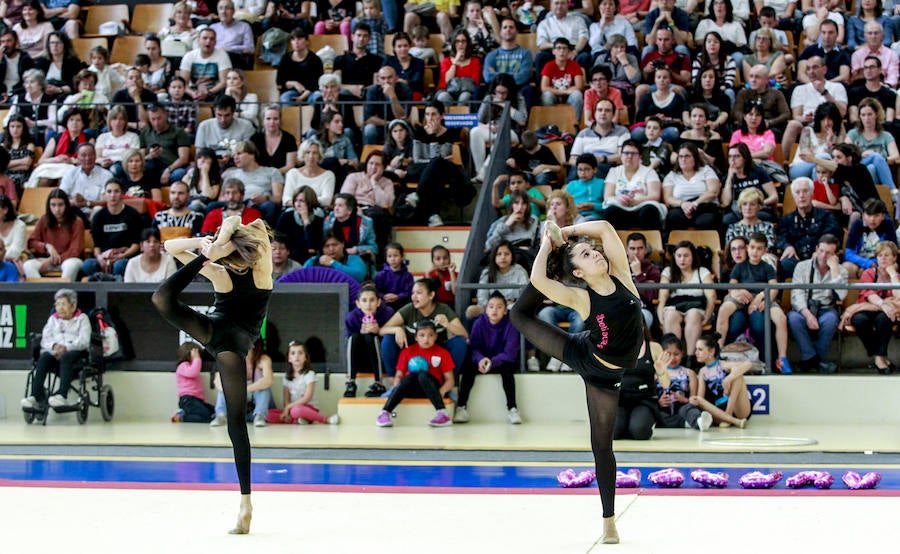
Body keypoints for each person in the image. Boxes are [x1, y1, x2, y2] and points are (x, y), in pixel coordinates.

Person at [509, 220, 642, 544]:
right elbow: (538, 279)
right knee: (518, 315)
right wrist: (548, 244)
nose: (594, 252)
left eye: (591, 249)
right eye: (584, 254)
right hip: (592, 363)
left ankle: (608, 519)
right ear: (579, 273)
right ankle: (609, 522)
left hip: (609, 365)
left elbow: (608, 229)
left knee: (603, 446)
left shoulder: (621, 273)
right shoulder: (583, 298)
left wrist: (566, 233)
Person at [153, 215, 272, 534]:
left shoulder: (220, 273)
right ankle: (245, 502)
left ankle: (246, 505)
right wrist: (215, 241)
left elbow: (169, 245)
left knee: (162, 299)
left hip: (213, 333)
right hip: (233, 344)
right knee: (236, 421)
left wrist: (208, 246)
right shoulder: (264, 273)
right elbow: (261, 233)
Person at [716, 232, 791, 373]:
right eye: (752, 247)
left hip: (764, 297)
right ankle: (718, 351)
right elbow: (732, 285)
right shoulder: (739, 267)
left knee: (781, 318)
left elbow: (773, 288)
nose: (755, 251)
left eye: (759, 248)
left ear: (764, 251)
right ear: (748, 248)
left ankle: (782, 358)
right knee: (723, 309)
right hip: (742, 297)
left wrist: (763, 298)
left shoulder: (767, 267)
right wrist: (738, 291)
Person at [379, 276, 469, 378]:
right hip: (412, 352)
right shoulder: (409, 309)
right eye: (413, 293)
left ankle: (448, 382)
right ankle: (393, 382)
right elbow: (382, 330)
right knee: (388, 338)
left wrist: (447, 324)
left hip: (436, 354)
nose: (414, 296)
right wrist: (397, 329)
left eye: (419, 293)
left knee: (459, 343)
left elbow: (464, 334)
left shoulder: (443, 309)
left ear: (431, 295)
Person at [455, 291, 522, 424]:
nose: (494, 310)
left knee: (508, 372)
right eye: (491, 306)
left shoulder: (511, 324)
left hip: (502, 361)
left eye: (499, 307)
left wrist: (493, 361)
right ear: (486, 310)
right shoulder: (479, 323)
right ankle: (461, 408)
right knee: (468, 369)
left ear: (505, 311)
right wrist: (480, 359)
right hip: (482, 361)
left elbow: (511, 353)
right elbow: (473, 347)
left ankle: (513, 409)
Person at [376, 319, 456, 427]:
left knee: (422, 375)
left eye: (430, 335)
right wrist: (396, 389)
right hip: (411, 389)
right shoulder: (407, 352)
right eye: (422, 335)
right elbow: (399, 376)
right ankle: (385, 412)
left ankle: (442, 413)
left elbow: (450, 380)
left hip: (432, 389)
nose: (426, 339)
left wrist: (441, 392)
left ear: (436, 336)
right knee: (410, 377)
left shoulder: (443, 353)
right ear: (416, 337)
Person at [20, 288, 90, 409]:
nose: (60, 307)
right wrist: (54, 346)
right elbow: (45, 339)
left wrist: (66, 347)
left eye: (63, 304)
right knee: (44, 357)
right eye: (57, 304)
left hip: (75, 353)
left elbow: (84, 341)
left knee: (66, 357)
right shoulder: (53, 319)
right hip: (55, 352)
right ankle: (35, 396)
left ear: (73, 306)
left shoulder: (82, 319)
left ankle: (62, 395)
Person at [788, 233, 847, 374]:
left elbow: (842, 295)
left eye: (828, 253)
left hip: (826, 308)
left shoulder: (841, 270)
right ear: (816, 249)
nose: (823, 256)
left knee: (831, 320)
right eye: (821, 251)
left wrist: (834, 270)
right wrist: (807, 315)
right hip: (806, 307)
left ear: (835, 254)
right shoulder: (802, 266)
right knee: (794, 318)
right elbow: (796, 294)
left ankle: (810, 361)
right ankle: (815, 360)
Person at [840, 241, 900, 374]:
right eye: (880, 255)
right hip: (867, 308)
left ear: (894, 257)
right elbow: (868, 293)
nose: (883, 258)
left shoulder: (897, 276)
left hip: (888, 312)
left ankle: (879, 359)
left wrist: (893, 274)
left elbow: (899, 296)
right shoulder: (868, 273)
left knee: (884, 319)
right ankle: (880, 356)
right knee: (859, 320)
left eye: (887, 255)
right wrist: (884, 304)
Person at [658, 240, 716, 367]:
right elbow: (663, 295)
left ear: (693, 256)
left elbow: (711, 296)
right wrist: (660, 312)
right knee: (670, 315)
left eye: (686, 255)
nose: (682, 259)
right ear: (674, 257)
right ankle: (672, 357)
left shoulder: (702, 271)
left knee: (693, 315)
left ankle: (690, 359)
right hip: (675, 304)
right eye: (679, 256)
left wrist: (707, 315)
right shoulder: (668, 271)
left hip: (696, 305)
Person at [777, 177, 843, 278]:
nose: (801, 196)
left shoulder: (826, 216)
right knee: (785, 264)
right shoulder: (786, 220)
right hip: (796, 258)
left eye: (805, 191)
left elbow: (832, 235)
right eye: (797, 192)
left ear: (812, 193)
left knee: (823, 260)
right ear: (793, 197)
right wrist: (787, 246)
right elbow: (781, 237)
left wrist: (820, 251)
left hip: (819, 256)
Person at [82, 180, 143, 278]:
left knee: (120, 265)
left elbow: (136, 245)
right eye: (109, 192)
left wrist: (121, 256)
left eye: (116, 191)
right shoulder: (98, 216)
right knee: (88, 265)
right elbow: (97, 246)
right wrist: (100, 258)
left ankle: (114, 288)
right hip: (105, 256)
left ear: (122, 194)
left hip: (125, 256)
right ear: (105, 195)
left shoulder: (132, 214)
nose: (112, 195)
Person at [653, 334, 713, 432]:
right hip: (663, 410)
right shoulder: (655, 374)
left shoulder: (689, 373)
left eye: (676, 354)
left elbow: (694, 400)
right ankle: (687, 423)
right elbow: (651, 396)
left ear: (682, 353)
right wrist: (659, 402)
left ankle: (699, 420)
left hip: (682, 409)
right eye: (668, 354)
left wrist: (684, 400)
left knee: (689, 409)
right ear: (662, 354)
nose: (672, 358)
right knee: (654, 412)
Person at [210, 337, 273, 429]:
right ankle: (221, 415)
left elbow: (268, 381)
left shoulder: (263, 359)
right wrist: (237, 392)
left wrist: (244, 390)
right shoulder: (230, 360)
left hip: (257, 402)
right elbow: (218, 383)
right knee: (224, 388)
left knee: (264, 388)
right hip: (239, 403)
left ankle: (260, 416)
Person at [602, 140, 666, 230]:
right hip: (621, 207)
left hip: (642, 206)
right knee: (610, 211)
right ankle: (616, 243)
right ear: (621, 155)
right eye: (626, 153)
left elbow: (655, 196)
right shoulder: (614, 171)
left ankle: (650, 241)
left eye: (633, 154)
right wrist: (618, 198)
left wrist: (637, 201)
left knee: (649, 210)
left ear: (640, 156)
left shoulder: (649, 171)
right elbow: (608, 196)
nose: (629, 156)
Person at [344, 283, 393, 398]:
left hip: (381, 358)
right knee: (355, 337)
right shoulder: (351, 318)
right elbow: (350, 344)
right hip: (361, 359)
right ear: (358, 304)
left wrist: (379, 331)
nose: (368, 304)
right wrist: (361, 333)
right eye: (364, 300)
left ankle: (378, 383)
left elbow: (392, 338)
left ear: (378, 302)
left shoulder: (388, 313)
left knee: (371, 337)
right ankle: (351, 382)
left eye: (372, 300)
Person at [273, 340, 340, 423]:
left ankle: (325, 419)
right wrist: (287, 409)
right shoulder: (286, 377)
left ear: (305, 357)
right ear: (289, 358)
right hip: (292, 408)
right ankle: (297, 420)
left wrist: (289, 407)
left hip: (307, 408)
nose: (296, 356)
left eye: (300, 353)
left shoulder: (309, 374)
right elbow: (286, 399)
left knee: (296, 411)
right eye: (293, 353)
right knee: (268, 414)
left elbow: (306, 398)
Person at [23, 188, 83, 281]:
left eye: (60, 205)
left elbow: (75, 251)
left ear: (66, 205)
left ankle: (62, 294)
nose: (57, 209)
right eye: (53, 205)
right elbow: (32, 241)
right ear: (48, 206)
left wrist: (53, 260)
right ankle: (42, 293)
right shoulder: (44, 219)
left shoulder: (77, 221)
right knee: (28, 265)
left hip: (69, 259)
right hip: (46, 259)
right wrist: (47, 246)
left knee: (72, 265)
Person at [694, 332, 750, 428]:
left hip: (737, 408)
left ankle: (728, 414)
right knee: (699, 399)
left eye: (700, 349)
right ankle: (729, 418)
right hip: (718, 411)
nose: (696, 353)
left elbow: (748, 364)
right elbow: (701, 399)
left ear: (711, 351)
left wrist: (729, 379)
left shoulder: (723, 364)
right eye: (696, 349)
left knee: (737, 375)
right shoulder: (702, 372)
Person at [222, 140, 284, 226]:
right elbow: (221, 198)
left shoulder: (272, 172)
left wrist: (265, 198)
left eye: (239, 153)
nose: (235, 157)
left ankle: (267, 235)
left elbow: (278, 198)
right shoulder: (231, 173)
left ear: (252, 155)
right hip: (235, 204)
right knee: (213, 205)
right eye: (234, 155)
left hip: (259, 205)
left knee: (270, 206)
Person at [663, 142, 721, 231]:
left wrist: (694, 204)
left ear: (695, 158)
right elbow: (668, 198)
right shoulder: (672, 175)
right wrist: (683, 204)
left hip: (704, 206)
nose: (683, 159)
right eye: (681, 156)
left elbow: (713, 192)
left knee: (704, 221)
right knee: (674, 217)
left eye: (687, 156)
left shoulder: (706, 170)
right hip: (681, 207)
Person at [466, 240, 529, 321]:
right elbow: (482, 298)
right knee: (471, 311)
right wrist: (495, 307)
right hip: (491, 309)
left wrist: (505, 307)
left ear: (512, 256)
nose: (503, 257)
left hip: (513, 309)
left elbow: (525, 297)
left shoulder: (520, 271)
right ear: (493, 256)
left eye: (506, 254)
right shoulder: (487, 273)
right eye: (499, 254)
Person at [846, 97, 900, 189]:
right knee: (875, 157)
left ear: (876, 114)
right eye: (863, 115)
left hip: (877, 172)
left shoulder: (886, 135)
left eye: (870, 114)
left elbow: (896, 156)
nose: (866, 118)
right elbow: (845, 153)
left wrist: (882, 160)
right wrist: (862, 155)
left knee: (872, 168)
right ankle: (893, 192)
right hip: (857, 169)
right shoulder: (853, 134)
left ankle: (873, 199)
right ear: (859, 117)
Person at [722, 143, 777, 227]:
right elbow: (726, 202)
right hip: (738, 211)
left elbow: (774, 196)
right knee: (726, 220)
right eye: (730, 156)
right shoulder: (727, 177)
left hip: (759, 210)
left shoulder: (758, 172)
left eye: (736, 156)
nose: (732, 160)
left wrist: (756, 205)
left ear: (745, 158)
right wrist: (729, 178)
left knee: (761, 217)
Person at [842, 198, 898, 279]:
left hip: (881, 261)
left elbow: (892, 251)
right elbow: (849, 253)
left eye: (876, 215)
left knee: (893, 267)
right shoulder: (857, 225)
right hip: (859, 262)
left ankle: (885, 291)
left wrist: (874, 264)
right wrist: (867, 264)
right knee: (846, 267)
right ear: (863, 215)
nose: (872, 219)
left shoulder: (888, 225)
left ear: (883, 216)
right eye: (869, 215)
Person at [788, 102, 844, 180]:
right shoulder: (807, 131)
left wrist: (829, 142)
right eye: (823, 119)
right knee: (824, 157)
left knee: (818, 170)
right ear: (818, 119)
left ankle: (820, 192)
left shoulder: (836, 137)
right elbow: (805, 156)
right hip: (799, 168)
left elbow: (837, 161)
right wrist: (820, 158)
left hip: (819, 170)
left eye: (830, 119)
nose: (826, 123)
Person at [195, 95, 255, 166]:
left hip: (237, 163)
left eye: (227, 115)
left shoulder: (246, 126)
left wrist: (232, 156)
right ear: (214, 111)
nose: (223, 120)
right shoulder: (204, 126)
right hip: (209, 164)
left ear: (233, 113)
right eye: (219, 115)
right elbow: (199, 153)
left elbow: (249, 153)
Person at [632, 65, 685, 144]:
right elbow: (639, 117)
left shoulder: (677, 98)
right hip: (650, 129)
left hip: (667, 129)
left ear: (670, 80)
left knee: (673, 133)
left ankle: (663, 148)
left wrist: (667, 119)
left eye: (665, 77)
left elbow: (681, 120)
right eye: (659, 77)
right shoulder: (647, 97)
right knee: (637, 132)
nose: (662, 80)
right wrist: (653, 118)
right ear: (655, 80)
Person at [141, 104, 192, 186]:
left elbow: (183, 158)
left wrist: (168, 170)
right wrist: (150, 156)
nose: (156, 123)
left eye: (159, 118)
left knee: (179, 174)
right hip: (151, 169)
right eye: (153, 119)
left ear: (166, 115)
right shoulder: (145, 132)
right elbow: (140, 157)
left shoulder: (178, 132)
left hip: (172, 168)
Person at [57, 143, 112, 217]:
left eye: (90, 155)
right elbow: (60, 198)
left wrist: (87, 203)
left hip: (95, 214)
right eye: (83, 155)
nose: (87, 158)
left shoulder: (106, 175)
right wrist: (75, 202)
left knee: (98, 209)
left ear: (95, 156)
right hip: (75, 213)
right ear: (78, 158)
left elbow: (106, 201)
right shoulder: (70, 174)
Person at [179, 27, 232, 101]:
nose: (208, 41)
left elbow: (223, 82)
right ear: (198, 40)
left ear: (215, 42)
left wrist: (208, 93)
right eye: (205, 38)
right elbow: (183, 83)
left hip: (215, 92)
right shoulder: (189, 56)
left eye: (211, 39)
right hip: (193, 91)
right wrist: (193, 94)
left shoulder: (222, 55)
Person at [724, 188, 778, 260]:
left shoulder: (768, 227)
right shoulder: (732, 228)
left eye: (752, 204)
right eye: (744, 204)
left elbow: (768, 249)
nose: (748, 208)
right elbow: (731, 251)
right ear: (740, 206)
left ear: (759, 206)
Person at [275, 186, 323, 264]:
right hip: (288, 258)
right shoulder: (286, 216)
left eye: (301, 201)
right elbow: (277, 238)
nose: (298, 204)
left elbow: (312, 248)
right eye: (296, 200)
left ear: (309, 202)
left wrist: (306, 221)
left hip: (308, 259)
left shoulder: (318, 221)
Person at [284, 139, 335, 210]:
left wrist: (301, 201)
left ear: (319, 156)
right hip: (294, 209)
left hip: (316, 210)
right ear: (303, 155)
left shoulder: (328, 175)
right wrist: (303, 204)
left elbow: (327, 200)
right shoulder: (292, 173)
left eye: (315, 153)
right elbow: (286, 199)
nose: (311, 156)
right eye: (307, 152)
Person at [276, 27, 323, 104]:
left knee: (317, 96)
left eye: (299, 39)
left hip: (310, 92)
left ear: (307, 41)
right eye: (293, 39)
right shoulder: (285, 58)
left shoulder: (315, 59)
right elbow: (279, 81)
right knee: (285, 98)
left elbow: (316, 84)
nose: (296, 42)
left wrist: (302, 97)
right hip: (291, 92)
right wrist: (294, 83)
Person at [322, 193, 378, 258]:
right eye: (335, 205)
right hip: (332, 257)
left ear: (349, 210)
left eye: (340, 205)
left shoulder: (366, 223)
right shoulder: (329, 220)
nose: (336, 208)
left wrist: (356, 249)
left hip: (355, 257)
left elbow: (374, 248)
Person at [171, 342, 215, 423]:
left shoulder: (190, 365)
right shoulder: (182, 366)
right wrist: (196, 358)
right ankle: (182, 417)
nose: (200, 358)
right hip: (188, 399)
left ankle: (185, 412)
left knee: (213, 411)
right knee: (206, 417)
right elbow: (193, 372)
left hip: (197, 399)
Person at [302, 230, 368, 283]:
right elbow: (301, 277)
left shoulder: (353, 259)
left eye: (335, 245)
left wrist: (333, 263)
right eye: (327, 246)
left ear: (343, 244)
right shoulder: (313, 261)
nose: (331, 249)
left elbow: (359, 276)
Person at [250, 104, 298, 177]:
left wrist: (273, 174)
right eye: (268, 119)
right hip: (259, 176)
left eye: (275, 119)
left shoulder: (289, 139)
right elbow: (250, 163)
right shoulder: (255, 138)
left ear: (280, 120)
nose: (272, 122)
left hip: (282, 176)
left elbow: (290, 165)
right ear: (263, 121)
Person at [34, 31, 84, 97]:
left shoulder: (73, 62)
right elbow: (35, 80)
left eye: (58, 42)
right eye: (52, 43)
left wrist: (58, 89)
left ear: (65, 45)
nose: (55, 45)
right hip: (44, 94)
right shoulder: (43, 61)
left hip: (65, 95)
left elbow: (76, 85)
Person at [96, 106, 141, 180]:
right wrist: (102, 161)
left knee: (116, 169)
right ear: (110, 121)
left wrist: (113, 162)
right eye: (114, 119)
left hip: (123, 167)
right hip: (105, 166)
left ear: (125, 121)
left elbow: (133, 157)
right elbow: (97, 157)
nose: (117, 122)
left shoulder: (133, 137)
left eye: (121, 119)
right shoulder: (103, 137)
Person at [679, 103, 726, 174]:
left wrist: (701, 154)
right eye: (694, 116)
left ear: (706, 119)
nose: (697, 119)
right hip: (688, 170)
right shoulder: (685, 135)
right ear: (690, 119)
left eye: (701, 116)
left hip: (709, 171)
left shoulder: (714, 136)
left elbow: (714, 161)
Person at [626, 232, 661, 328]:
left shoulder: (652, 269)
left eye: (640, 248)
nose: (636, 252)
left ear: (645, 250)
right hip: (621, 308)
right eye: (632, 249)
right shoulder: (618, 268)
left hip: (643, 309)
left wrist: (639, 275)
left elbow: (653, 295)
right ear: (627, 250)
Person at [850, 21, 898, 88]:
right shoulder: (857, 55)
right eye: (870, 33)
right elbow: (856, 77)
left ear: (882, 35)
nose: (873, 36)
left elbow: (893, 77)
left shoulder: (892, 54)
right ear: (865, 36)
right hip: (863, 89)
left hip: (885, 89)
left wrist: (884, 87)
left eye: (876, 33)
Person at [210, 0, 255, 70]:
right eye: (220, 8)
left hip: (234, 59)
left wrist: (231, 49)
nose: (223, 12)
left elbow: (250, 48)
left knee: (226, 55)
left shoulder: (244, 26)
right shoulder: (213, 27)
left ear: (233, 11)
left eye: (227, 8)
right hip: (214, 59)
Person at [383, 31, 426, 100]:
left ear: (409, 47)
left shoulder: (419, 62)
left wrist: (405, 82)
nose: (403, 49)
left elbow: (417, 83)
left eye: (405, 46)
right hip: (392, 91)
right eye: (399, 46)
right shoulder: (388, 61)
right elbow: (383, 79)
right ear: (394, 48)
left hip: (412, 92)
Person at [564, 154, 605, 223]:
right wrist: (573, 209)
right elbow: (564, 204)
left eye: (587, 169)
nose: (583, 173)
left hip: (594, 217)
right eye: (580, 169)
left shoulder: (602, 183)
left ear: (595, 170)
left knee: (582, 222)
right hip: (574, 216)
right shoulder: (571, 185)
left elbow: (607, 205)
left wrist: (593, 206)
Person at [374, 241, 414, 312]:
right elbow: (377, 291)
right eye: (389, 256)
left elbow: (409, 292)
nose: (392, 259)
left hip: (402, 306)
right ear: (386, 258)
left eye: (395, 256)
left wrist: (398, 296)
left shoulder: (408, 276)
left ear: (402, 257)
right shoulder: (381, 275)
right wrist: (383, 296)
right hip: (385, 305)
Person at [0, 29, 35, 102]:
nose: (5, 44)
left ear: (16, 42)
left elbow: (29, 82)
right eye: (3, 41)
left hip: (18, 94)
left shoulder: (25, 59)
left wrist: (10, 95)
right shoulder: (1, 58)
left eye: (9, 41)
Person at [183, 148, 223, 212]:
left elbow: (209, 196)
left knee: (196, 205)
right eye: (199, 158)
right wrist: (188, 175)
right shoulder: (190, 175)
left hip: (204, 208)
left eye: (206, 158)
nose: (202, 160)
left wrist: (205, 174)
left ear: (212, 161)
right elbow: (182, 193)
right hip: (188, 206)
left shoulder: (216, 178)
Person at [1, 113, 35, 189]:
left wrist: (6, 166)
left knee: (12, 182)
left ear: (23, 128)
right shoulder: (3, 146)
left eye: (18, 126)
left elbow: (26, 165)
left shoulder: (29, 145)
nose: (15, 130)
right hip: (5, 176)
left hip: (22, 176)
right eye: (12, 126)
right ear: (8, 128)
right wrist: (21, 161)